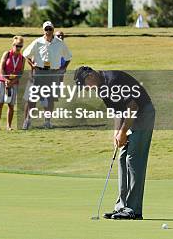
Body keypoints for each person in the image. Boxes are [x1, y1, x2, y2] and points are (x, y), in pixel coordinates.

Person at [74, 66, 155, 220]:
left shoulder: (114, 81)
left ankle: (133, 209)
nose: (87, 89)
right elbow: (117, 111)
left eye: (85, 85)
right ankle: (122, 207)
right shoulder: (100, 88)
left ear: (90, 76)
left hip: (143, 112)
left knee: (134, 159)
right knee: (122, 158)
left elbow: (133, 107)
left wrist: (123, 132)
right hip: (129, 115)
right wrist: (116, 134)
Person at [22, 21, 72, 129]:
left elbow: (68, 57)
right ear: (43, 30)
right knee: (32, 97)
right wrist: (32, 65)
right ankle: (27, 120)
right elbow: (26, 54)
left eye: (50, 29)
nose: (48, 31)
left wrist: (63, 68)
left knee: (50, 98)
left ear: (53, 30)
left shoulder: (59, 42)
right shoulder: (37, 42)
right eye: (46, 29)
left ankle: (47, 121)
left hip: (53, 73)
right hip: (39, 72)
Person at [0, 36, 25, 131]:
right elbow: (1, 68)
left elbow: (20, 72)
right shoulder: (7, 54)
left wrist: (13, 82)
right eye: (17, 46)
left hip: (14, 82)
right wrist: (6, 79)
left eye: (20, 46)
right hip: (2, 81)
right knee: (0, 103)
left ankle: (9, 126)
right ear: (13, 45)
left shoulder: (22, 58)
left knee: (11, 105)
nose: (18, 48)